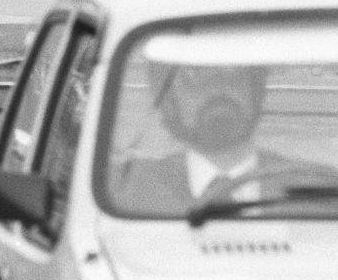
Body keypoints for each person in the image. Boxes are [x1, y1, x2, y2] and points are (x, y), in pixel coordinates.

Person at [113, 62, 299, 214]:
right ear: (168, 103)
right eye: (194, 76)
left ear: (256, 90)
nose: (216, 88)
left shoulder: (315, 193)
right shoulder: (125, 196)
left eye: (232, 74)